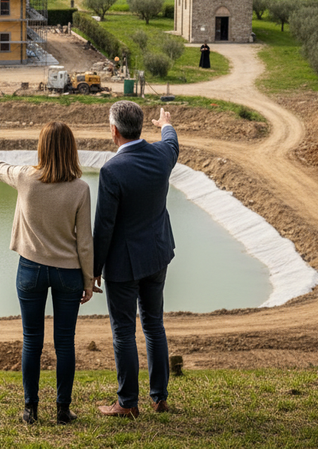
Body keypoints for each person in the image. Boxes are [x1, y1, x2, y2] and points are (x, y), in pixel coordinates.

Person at [0, 121, 94, 425]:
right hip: (68, 274)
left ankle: (30, 410)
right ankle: (63, 410)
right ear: (71, 150)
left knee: (31, 340)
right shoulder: (81, 189)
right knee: (65, 342)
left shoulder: (25, 178)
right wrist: (88, 281)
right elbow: (85, 241)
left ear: (42, 147)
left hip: (31, 271)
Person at [92, 102, 178, 418]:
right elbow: (172, 140)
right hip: (157, 255)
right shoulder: (163, 156)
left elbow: (104, 226)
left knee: (124, 332)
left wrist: (94, 269)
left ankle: (127, 403)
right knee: (154, 324)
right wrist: (166, 123)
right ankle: (159, 398)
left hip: (123, 266)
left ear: (114, 131)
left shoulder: (112, 171)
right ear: (140, 127)